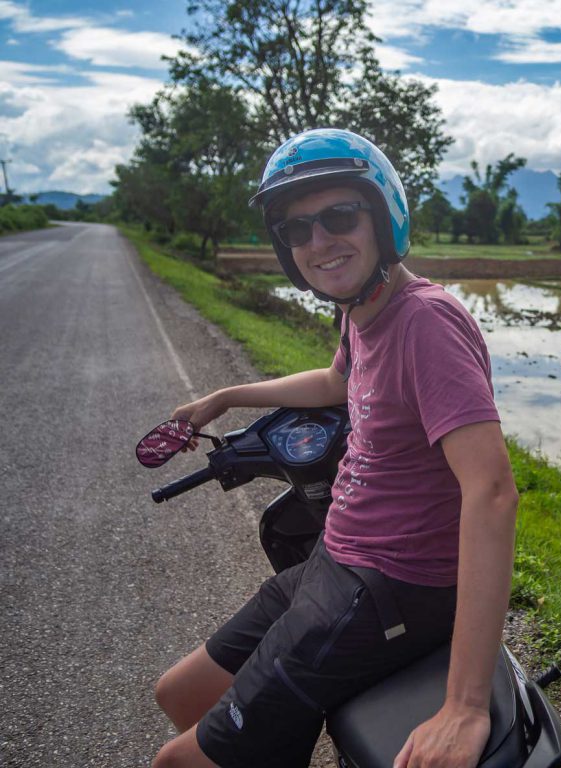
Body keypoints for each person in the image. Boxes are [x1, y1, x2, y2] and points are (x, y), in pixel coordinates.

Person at [151, 129, 518, 768]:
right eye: (298, 230)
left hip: (392, 585)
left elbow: (491, 493)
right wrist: (228, 396)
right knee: (180, 696)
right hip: (336, 560)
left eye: (339, 217)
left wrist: (466, 705)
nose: (319, 242)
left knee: (174, 763)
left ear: (382, 217)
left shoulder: (424, 323)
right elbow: (336, 382)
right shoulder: (363, 310)